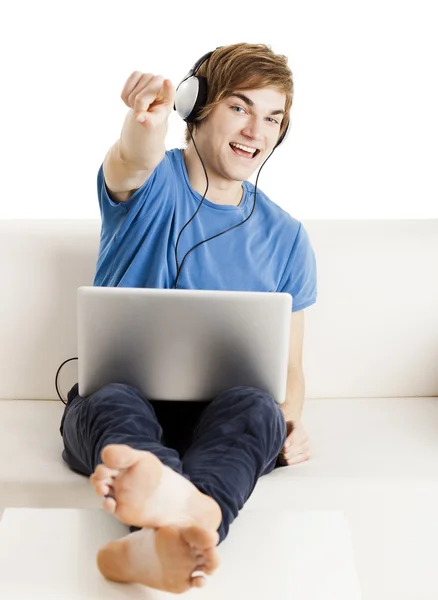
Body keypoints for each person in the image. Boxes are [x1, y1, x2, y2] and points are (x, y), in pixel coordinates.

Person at [60, 43, 317, 594]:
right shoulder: (150, 185)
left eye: (273, 118)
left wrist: (289, 423)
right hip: (120, 402)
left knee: (255, 407)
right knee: (111, 399)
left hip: (221, 420)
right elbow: (133, 156)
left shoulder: (288, 236)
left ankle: (163, 533)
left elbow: (288, 367)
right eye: (240, 108)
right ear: (194, 104)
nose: (256, 131)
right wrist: (143, 122)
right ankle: (186, 517)